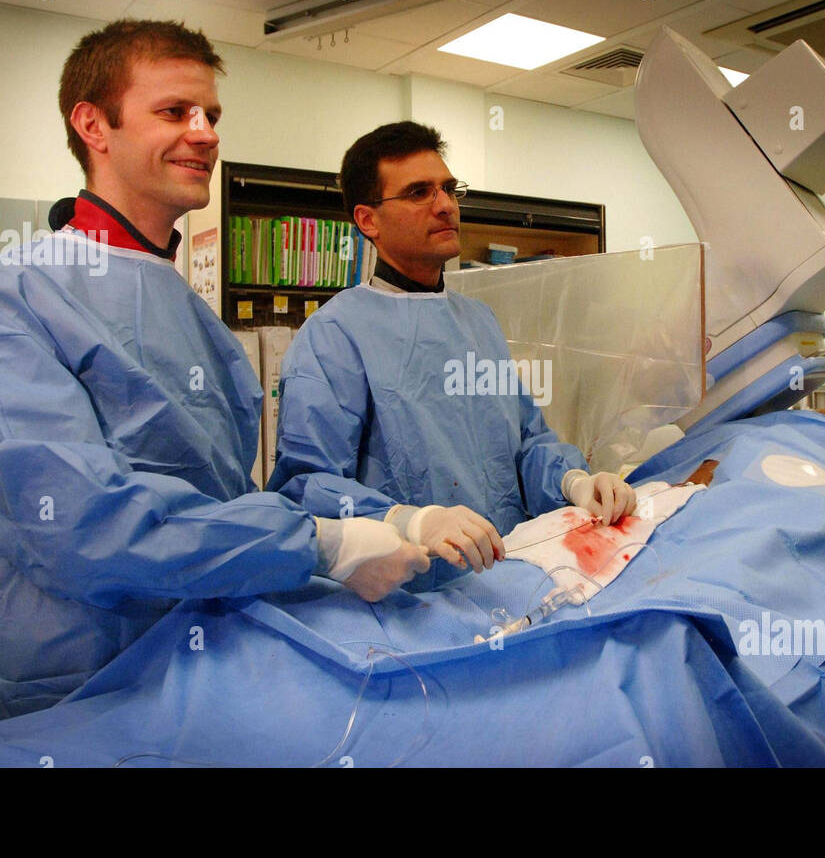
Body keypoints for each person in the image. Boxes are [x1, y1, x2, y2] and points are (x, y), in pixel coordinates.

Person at [0, 21, 427, 731]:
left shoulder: (198, 325)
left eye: (212, 115)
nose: (204, 133)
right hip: (63, 696)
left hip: (205, 673)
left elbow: (224, 504)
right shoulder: (4, 300)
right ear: (93, 124)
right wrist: (320, 543)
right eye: (174, 112)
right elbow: (82, 524)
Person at [267, 121, 635, 586]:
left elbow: (525, 444)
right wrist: (411, 521)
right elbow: (307, 486)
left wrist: (576, 483)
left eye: (448, 188)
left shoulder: (478, 322)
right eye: (419, 192)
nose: (444, 206)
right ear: (368, 220)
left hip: (510, 577)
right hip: (407, 597)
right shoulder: (334, 335)